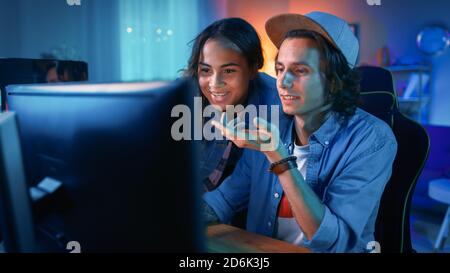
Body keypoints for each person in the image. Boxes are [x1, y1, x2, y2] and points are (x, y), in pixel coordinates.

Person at [204, 12, 397, 253]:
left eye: (300, 71)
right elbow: (224, 200)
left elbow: (334, 243)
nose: (282, 83)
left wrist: (279, 158)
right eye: (280, 69)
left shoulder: (372, 140)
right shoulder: (269, 124)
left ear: (334, 81)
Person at [184, 18, 286, 194]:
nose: (215, 84)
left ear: (254, 68)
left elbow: (244, 189)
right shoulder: (183, 96)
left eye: (229, 71)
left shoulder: (277, 105)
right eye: (206, 70)